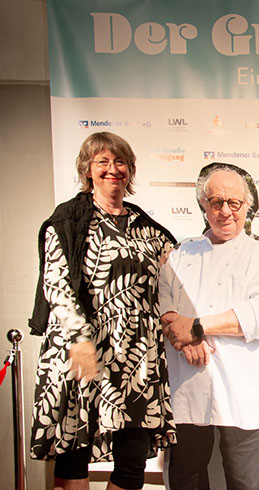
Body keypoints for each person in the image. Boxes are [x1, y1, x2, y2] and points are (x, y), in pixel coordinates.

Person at [29, 132, 177, 490]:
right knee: (74, 453)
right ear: (88, 170)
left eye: (120, 162)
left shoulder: (147, 228)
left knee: (133, 459)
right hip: (84, 352)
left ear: (130, 170)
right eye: (103, 162)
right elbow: (56, 284)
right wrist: (79, 339)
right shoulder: (68, 220)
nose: (113, 169)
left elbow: (178, 275)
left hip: (136, 358)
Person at [160, 163, 259, 490]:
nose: (225, 211)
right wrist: (185, 339)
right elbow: (165, 304)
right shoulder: (181, 254)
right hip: (189, 382)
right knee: (186, 475)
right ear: (204, 205)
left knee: (243, 479)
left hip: (246, 385)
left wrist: (197, 327)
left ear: (247, 206)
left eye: (234, 203)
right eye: (216, 202)